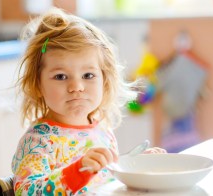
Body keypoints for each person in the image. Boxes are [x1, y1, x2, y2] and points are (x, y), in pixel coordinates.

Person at [11, 8, 165, 195]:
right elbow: (26, 192)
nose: (77, 86)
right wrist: (77, 172)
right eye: (60, 76)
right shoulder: (38, 142)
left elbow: (108, 183)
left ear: (104, 80)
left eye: (88, 75)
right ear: (37, 85)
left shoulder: (101, 131)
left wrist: (135, 167)